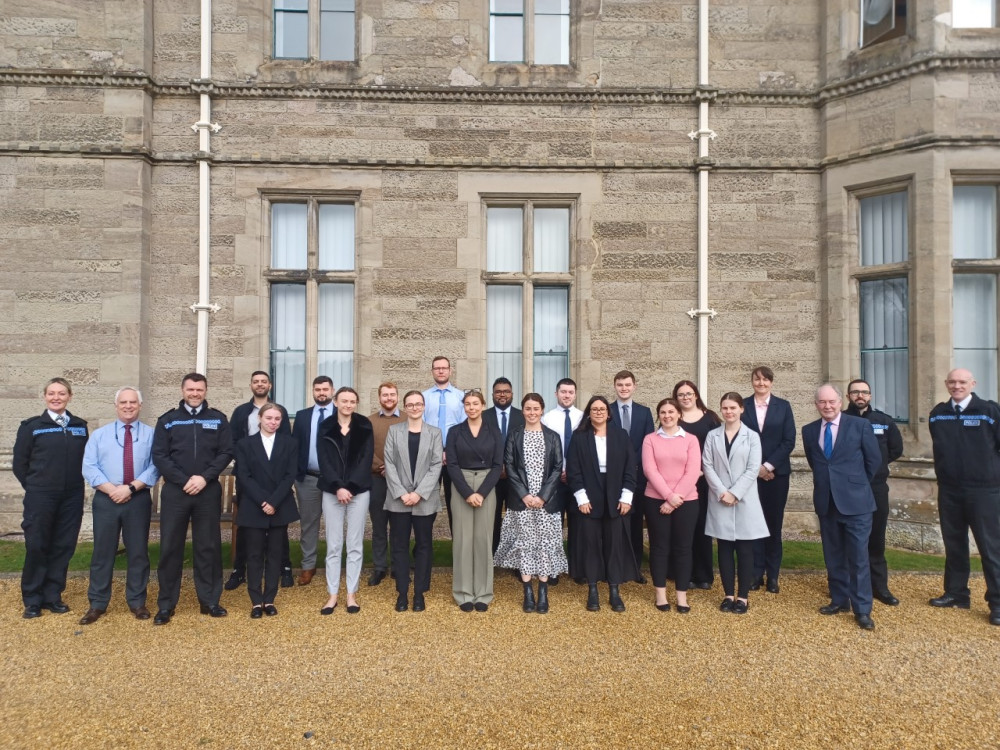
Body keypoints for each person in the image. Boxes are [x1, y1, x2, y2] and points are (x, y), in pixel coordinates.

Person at [151, 372, 234, 625]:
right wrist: (183, 480)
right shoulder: (168, 420)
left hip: (207, 490)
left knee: (207, 546)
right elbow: (160, 455)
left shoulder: (218, 419)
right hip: (176, 491)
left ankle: (209, 600)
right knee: (170, 547)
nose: (195, 394)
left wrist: (204, 478)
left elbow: (226, 452)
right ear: (182, 390)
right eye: (190, 389)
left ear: (205, 391)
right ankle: (166, 604)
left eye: (199, 389)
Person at [802, 383, 881, 631]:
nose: (827, 406)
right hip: (827, 503)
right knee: (833, 555)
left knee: (858, 558)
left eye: (831, 402)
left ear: (840, 401)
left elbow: (873, 461)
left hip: (856, 503)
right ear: (816, 405)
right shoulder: (809, 430)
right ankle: (839, 600)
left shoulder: (860, 426)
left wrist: (854, 485)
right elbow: (817, 464)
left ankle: (862, 609)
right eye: (822, 402)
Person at [79, 387, 159, 625]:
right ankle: (97, 603)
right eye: (123, 402)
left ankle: (137, 601)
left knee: (138, 553)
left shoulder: (151, 435)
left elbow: (155, 466)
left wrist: (131, 488)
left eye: (132, 402)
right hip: (106, 498)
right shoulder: (100, 435)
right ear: (116, 405)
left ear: (140, 405)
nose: (128, 406)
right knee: (103, 552)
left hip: (138, 498)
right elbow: (89, 467)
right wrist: (112, 489)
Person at [928, 368, 1000, 627]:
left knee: (991, 548)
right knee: (954, 544)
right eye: (952, 382)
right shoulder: (938, 414)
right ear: (946, 384)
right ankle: (956, 594)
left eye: (962, 382)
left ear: (973, 383)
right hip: (950, 490)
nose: (957, 386)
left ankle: (997, 603)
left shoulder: (989, 412)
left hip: (984, 491)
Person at [13, 377, 89, 619]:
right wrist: (36, 486)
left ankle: (53, 596)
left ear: (70, 396)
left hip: (72, 495)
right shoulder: (32, 426)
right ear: (45, 396)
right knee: (37, 544)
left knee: (63, 545)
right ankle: (33, 599)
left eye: (62, 393)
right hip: (41, 496)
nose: (56, 397)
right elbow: (19, 464)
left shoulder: (80, 426)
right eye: (52, 393)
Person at [495, 393, 567, 613]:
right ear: (523, 410)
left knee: (545, 545)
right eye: (528, 408)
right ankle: (528, 592)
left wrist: (543, 495)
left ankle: (543, 592)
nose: (532, 412)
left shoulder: (553, 437)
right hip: (522, 500)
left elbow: (557, 468)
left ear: (542, 410)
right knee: (525, 544)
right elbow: (510, 466)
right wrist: (525, 495)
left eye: (536, 408)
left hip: (547, 502)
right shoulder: (515, 436)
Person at [567, 395, 638, 612]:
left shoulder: (621, 435)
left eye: (602, 409)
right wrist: (581, 497)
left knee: (614, 544)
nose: (598, 412)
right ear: (589, 412)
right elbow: (573, 470)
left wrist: (627, 497)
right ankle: (592, 589)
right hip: (589, 497)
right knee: (591, 545)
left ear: (609, 413)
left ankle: (614, 590)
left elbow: (630, 467)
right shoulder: (579, 437)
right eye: (594, 409)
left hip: (616, 496)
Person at [702, 393, 769, 615]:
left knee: (745, 549)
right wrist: (722, 492)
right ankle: (728, 594)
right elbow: (707, 465)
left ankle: (743, 597)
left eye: (732, 408)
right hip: (720, 498)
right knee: (724, 548)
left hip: (744, 499)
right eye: (725, 408)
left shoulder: (752, 436)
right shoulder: (712, 436)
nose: (728, 412)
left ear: (741, 409)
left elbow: (753, 468)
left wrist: (735, 493)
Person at [227, 371, 292, 592]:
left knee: (278, 530)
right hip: (250, 477)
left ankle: (284, 567)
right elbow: (233, 441)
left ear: (270, 385)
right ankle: (240, 570)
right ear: (251, 385)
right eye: (256, 381)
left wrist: (272, 499)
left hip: (276, 483)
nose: (260, 384)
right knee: (248, 527)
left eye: (264, 381)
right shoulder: (241, 412)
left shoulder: (278, 412)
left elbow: (286, 447)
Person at [234, 403, 299, 618]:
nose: (273, 422)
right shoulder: (245, 444)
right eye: (269, 418)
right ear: (260, 419)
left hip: (279, 504)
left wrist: (274, 501)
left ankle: (269, 598)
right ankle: (255, 600)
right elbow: (244, 475)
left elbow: (290, 475)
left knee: (275, 554)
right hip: (254, 503)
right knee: (254, 554)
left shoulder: (289, 443)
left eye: (277, 419)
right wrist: (263, 501)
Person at [844, 378, 904, 606]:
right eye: (855, 392)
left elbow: (896, 449)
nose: (860, 396)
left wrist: (874, 465)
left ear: (870, 396)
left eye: (864, 392)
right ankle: (849, 587)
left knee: (876, 539)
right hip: (849, 488)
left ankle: (879, 588)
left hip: (876, 487)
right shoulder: (841, 419)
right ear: (849, 396)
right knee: (848, 539)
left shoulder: (883, 421)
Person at [383, 391, 443, 612]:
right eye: (411, 404)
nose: (415, 407)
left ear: (424, 406)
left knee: (424, 545)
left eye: (419, 404)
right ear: (405, 407)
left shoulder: (435, 433)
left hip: (424, 498)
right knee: (399, 545)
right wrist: (401, 492)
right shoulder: (394, 431)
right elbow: (389, 463)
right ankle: (402, 592)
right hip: (398, 499)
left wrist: (418, 493)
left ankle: (419, 592)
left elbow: (436, 465)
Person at [317, 387, 374, 615]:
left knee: (355, 544)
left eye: (352, 401)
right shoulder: (325, 426)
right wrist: (338, 487)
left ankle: (351, 593)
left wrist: (349, 487)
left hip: (358, 491)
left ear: (356, 403)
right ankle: (332, 594)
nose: (348, 405)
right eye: (344, 401)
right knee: (333, 544)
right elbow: (324, 460)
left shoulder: (364, 425)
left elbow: (366, 458)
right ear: (336, 402)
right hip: (332, 491)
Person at [642, 398, 702, 613]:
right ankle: (660, 594)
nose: (667, 416)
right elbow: (650, 470)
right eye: (663, 412)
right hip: (656, 500)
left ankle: (682, 596)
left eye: (671, 412)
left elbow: (693, 470)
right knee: (659, 548)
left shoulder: (691, 439)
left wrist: (675, 498)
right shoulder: (650, 439)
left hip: (687, 501)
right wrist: (668, 496)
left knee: (683, 548)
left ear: (679, 414)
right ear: (659, 415)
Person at [446, 389, 504, 611]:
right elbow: (451, 464)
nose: (471, 408)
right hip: (462, 484)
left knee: (482, 539)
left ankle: (483, 593)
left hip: (486, 486)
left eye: (475, 404)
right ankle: (463, 593)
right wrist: (468, 493)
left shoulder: (494, 431)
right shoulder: (455, 432)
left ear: (482, 405)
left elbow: (498, 466)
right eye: (468, 404)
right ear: (464, 407)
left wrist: (481, 492)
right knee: (462, 539)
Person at [741, 366, 796, 593]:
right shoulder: (743, 406)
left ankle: (773, 576)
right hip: (750, 476)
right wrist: (756, 469)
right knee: (754, 524)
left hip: (777, 475)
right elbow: (740, 439)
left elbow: (789, 440)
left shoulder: (783, 406)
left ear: (771, 382)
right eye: (757, 379)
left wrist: (768, 466)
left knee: (773, 525)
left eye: (765, 379)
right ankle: (756, 574)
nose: (761, 383)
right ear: (752, 382)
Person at [673, 379, 721, 590]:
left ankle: (704, 575)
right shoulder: (673, 417)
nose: (685, 397)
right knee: (683, 528)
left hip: (705, 481)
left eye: (689, 393)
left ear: (696, 395)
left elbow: (719, 446)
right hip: (680, 482)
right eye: (681, 394)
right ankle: (685, 573)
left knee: (703, 527)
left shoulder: (709, 418)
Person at [609, 370, 655, 583]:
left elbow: (649, 443)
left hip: (638, 477)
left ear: (634, 386)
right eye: (620, 384)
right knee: (613, 523)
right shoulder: (606, 411)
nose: (624, 388)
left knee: (636, 523)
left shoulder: (644, 413)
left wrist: (633, 464)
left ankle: (635, 568)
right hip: (611, 477)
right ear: (615, 386)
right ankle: (613, 567)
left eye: (627, 384)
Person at [291, 375, 334, 586]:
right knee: (308, 524)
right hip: (308, 479)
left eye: (325, 389)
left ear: (332, 391)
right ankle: (308, 565)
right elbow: (295, 446)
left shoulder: (343, 414)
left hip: (335, 480)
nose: (321, 393)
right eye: (317, 389)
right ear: (313, 391)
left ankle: (333, 566)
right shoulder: (302, 416)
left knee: (335, 525)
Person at [541, 378, 583, 584]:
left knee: (578, 525)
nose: (567, 395)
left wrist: (573, 471)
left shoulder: (583, 418)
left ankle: (577, 568)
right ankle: (553, 569)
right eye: (563, 392)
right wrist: (558, 472)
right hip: (554, 481)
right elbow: (544, 451)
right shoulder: (547, 418)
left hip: (577, 480)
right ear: (556, 394)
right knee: (553, 525)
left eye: (570, 392)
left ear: (575, 394)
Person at [422, 356, 466, 531]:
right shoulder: (423, 397)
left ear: (450, 370)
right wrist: (436, 451)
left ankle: (458, 551)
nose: (441, 371)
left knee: (454, 504)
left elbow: (464, 428)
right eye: (437, 368)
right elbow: (422, 426)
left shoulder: (461, 397)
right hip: (429, 456)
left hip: (454, 457)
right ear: (432, 371)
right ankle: (422, 552)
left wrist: (450, 452)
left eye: (444, 368)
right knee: (426, 504)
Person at [367, 382, 406, 586]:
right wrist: (382, 468)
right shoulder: (369, 421)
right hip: (377, 479)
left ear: (397, 396)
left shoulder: (408, 419)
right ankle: (380, 567)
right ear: (379, 397)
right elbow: (366, 449)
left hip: (402, 481)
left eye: (392, 394)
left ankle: (399, 567)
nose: (389, 398)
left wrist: (395, 471)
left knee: (400, 527)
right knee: (379, 526)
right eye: (385, 395)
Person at [483, 377, 524, 555]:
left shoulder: (522, 416)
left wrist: (510, 467)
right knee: (491, 517)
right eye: (498, 391)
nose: (502, 394)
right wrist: (496, 466)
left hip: (516, 477)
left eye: (506, 391)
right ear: (492, 394)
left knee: (515, 518)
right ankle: (491, 557)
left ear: (512, 394)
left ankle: (515, 560)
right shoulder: (484, 416)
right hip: (491, 475)